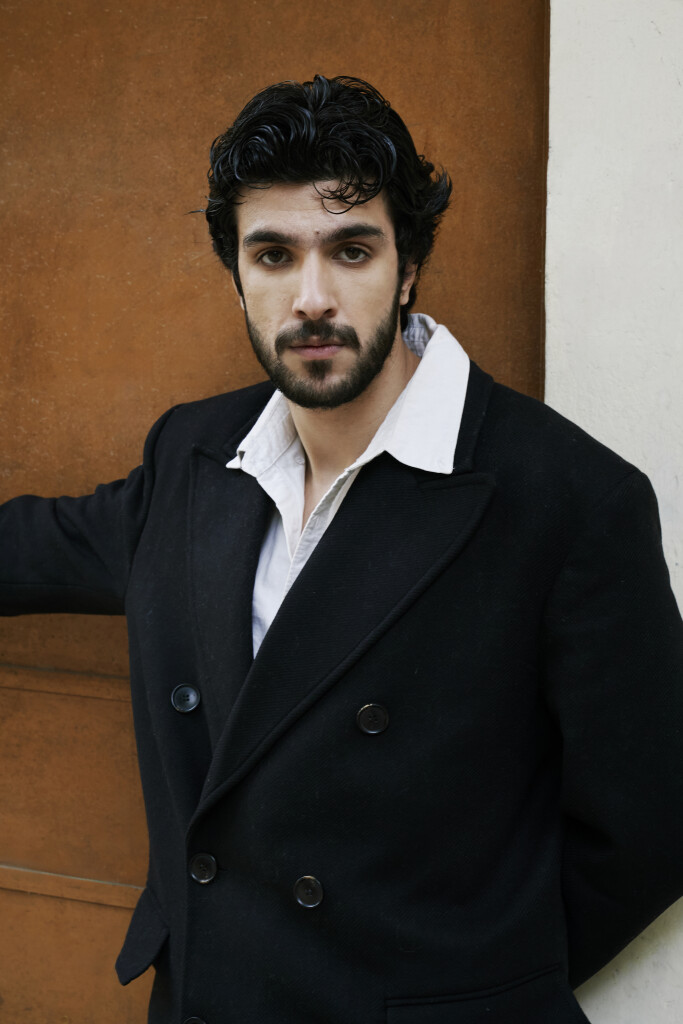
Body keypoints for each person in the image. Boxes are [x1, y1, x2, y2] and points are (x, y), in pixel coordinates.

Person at [1, 75, 682, 1024]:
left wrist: (467, 987)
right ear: (236, 274)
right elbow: (37, 546)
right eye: (273, 254)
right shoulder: (195, 455)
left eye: (351, 250)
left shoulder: (567, 498)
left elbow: (648, 825)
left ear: (407, 268)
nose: (311, 298)